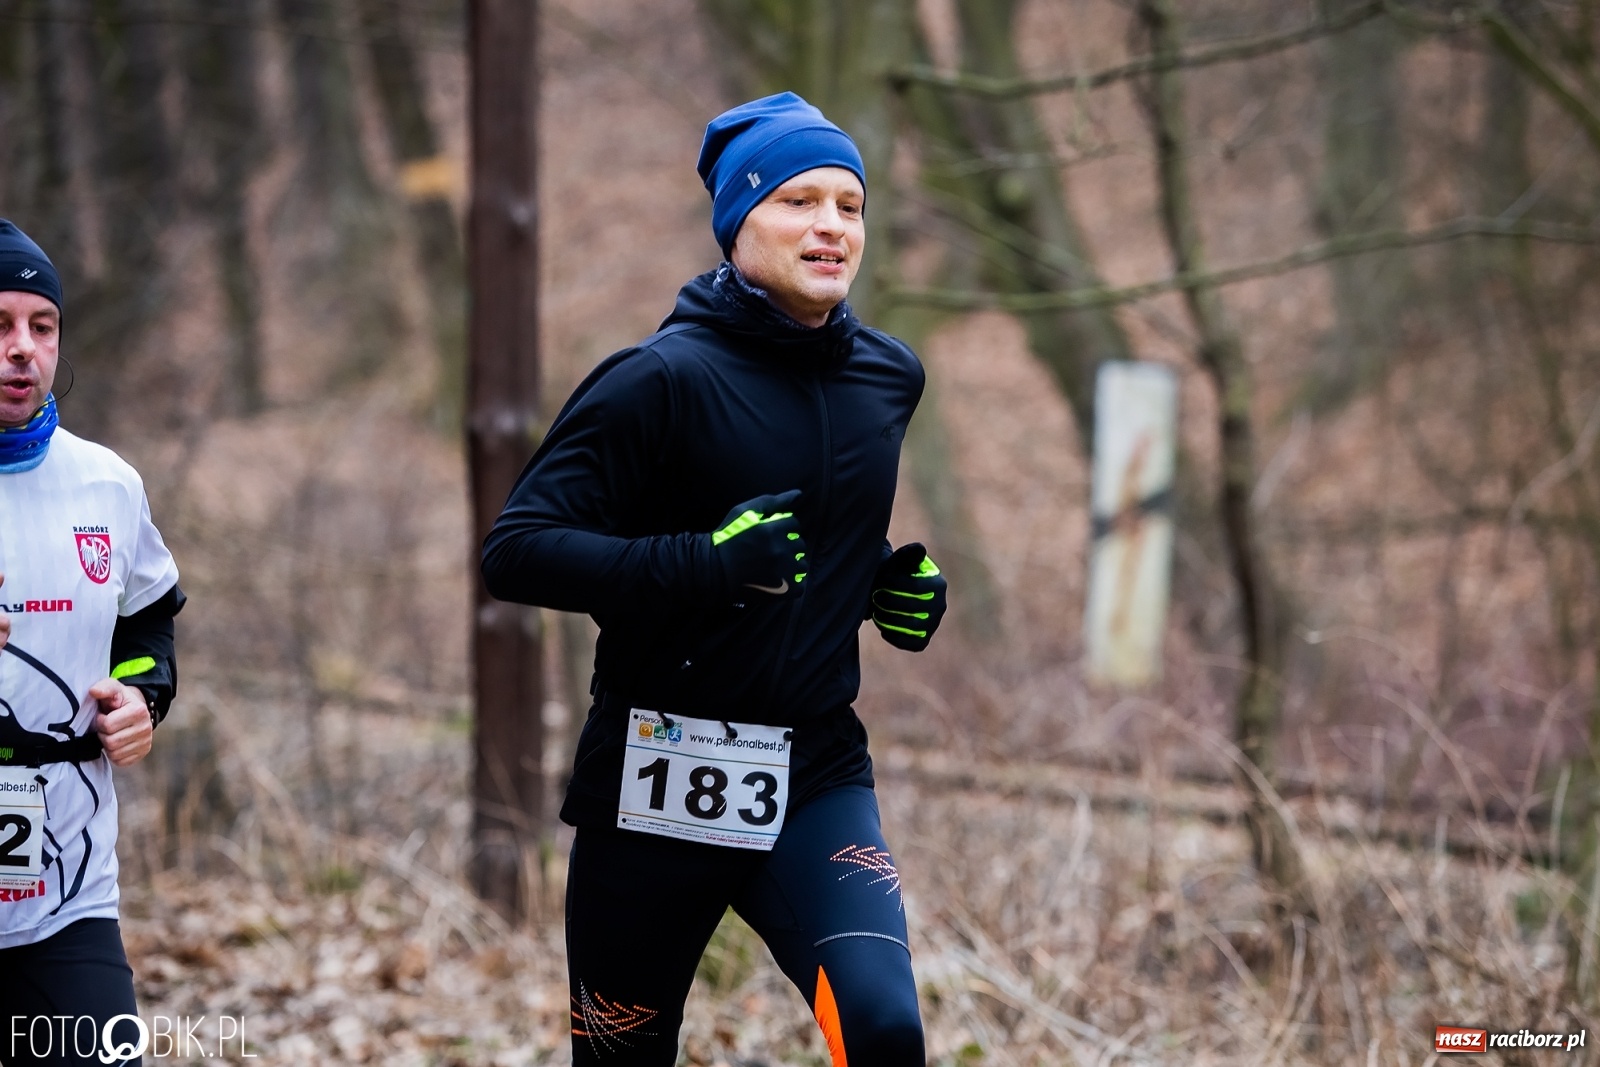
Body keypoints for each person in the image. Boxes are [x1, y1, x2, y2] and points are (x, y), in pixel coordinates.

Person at [483, 93, 947, 1066]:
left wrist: (877, 585)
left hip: (814, 774)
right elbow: (516, 547)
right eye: (798, 200)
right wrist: (701, 564)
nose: (829, 224)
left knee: (884, 1029)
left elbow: (811, 530)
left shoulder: (886, 379)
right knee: (620, 1056)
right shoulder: (657, 378)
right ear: (740, 223)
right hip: (653, 777)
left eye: (849, 205)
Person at [0, 219, 185, 1066]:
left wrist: (142, 696)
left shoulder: (107, 482)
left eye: (41, 326)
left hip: (69, 889)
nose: (21, 350)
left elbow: (148, 620)